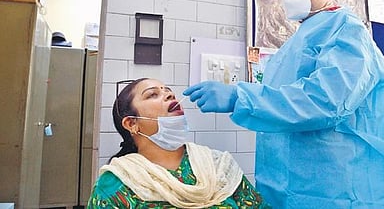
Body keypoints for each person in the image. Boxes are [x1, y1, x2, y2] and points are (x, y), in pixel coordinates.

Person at [183, 0, 384, 208]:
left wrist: (239, 96)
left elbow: (325, 101)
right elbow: (283, 105)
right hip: (287, 184)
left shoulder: (346, 30)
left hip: (339, 188)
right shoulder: (298, 41)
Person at [87, 78, 271, 208]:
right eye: (152, 95)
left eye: (168, 91)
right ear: (132, 124)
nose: (169, 95)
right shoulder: (116, 184)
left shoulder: (218, 165)